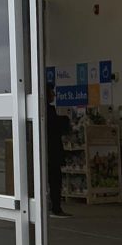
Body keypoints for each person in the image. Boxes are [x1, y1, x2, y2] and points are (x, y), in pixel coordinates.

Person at [46, 84, 71, 218]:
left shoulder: (45, 110)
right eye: (52, 92)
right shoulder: (48, 111)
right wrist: (65, 120)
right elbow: (55, 127)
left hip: (48, 153)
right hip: (51, 152)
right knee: (55, 180)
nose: (54, 95)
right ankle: (56, 207)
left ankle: (53, 206)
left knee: (53, 179)